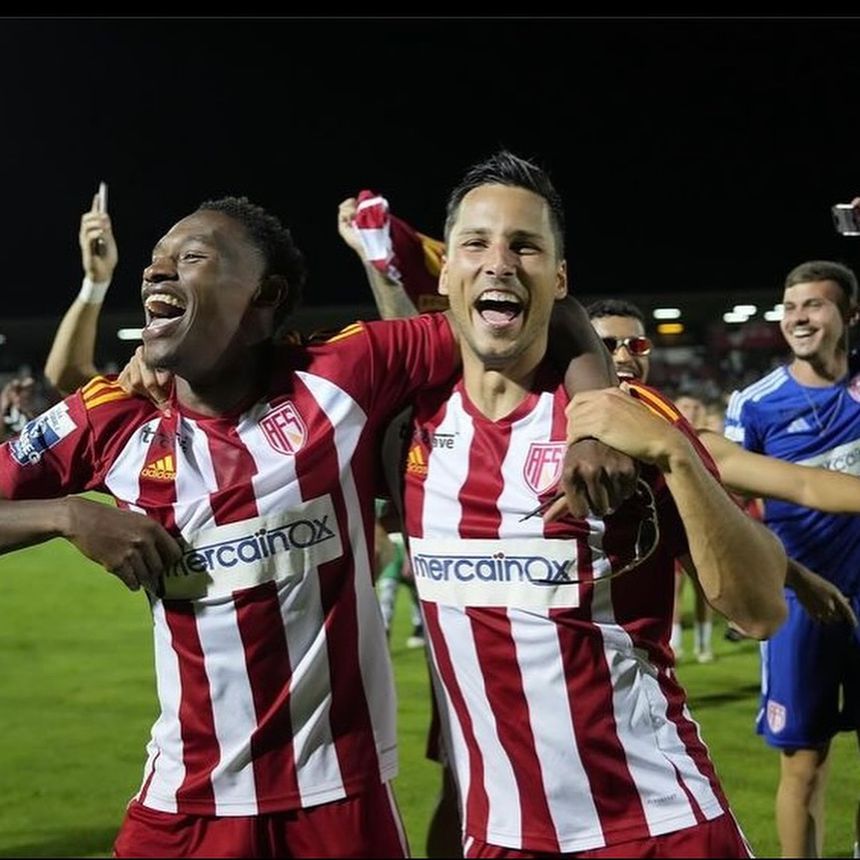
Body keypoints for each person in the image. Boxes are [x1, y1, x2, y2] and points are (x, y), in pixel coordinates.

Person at [0, 193, 634, 858]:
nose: (157, 272)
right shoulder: (110, 418)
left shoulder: (341, 373)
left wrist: (594, 421)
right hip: (186, 804)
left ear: (265, 299)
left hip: (340, 800)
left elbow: (550, 311)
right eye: (156, 262)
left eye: (191, 259)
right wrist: (67, 515)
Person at [399, 150, 788, 857]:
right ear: (447, 272)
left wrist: (674, 455)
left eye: (526, 246)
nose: (499, 263)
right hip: (498, 835)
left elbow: (759, 610)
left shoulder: (625, 416)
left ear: (559, 278)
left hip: (656, 825)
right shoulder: (405, 425)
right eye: (477, 244)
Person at [725, 259, 860, 859]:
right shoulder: (756, 404)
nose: (799, 317)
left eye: (815, 304)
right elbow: (729, 507)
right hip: (800, 604)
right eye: (791, 307)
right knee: (803, 762)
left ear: (850, 315)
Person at [375, 497, 425, 648]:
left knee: (417, 593)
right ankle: (383, 631)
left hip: (404, 548)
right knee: (387, 592)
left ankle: (419, 628)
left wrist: (408, 556)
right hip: (389, 549)